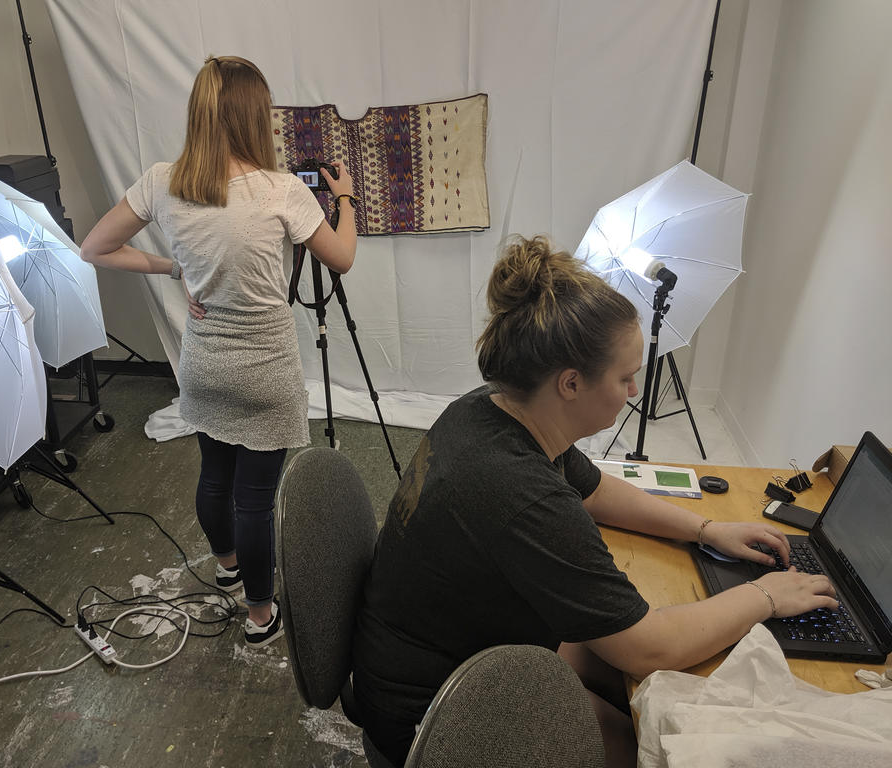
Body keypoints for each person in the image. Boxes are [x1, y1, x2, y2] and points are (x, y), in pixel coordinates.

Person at [351, 235, 837, 766]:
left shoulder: (495, 408)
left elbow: (596, 489)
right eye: (626, 377)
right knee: (653, 747)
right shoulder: (522, 495)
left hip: (448, 650)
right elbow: (651, 646)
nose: (634, 391)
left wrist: (704, 530)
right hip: (436, 717)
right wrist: (766, 597)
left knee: (644, 688)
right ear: (570, 384)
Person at [80, 55, 357, 647]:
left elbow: (95, 247)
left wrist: (168, 264)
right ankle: (261, 618)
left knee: (215, 474)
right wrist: (348, 201)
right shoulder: (282, 191)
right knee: (255, 499)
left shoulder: (162, 180)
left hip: (203, 362)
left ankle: (228, 571)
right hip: (266, 369)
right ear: (254, 117)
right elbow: (343, 258)